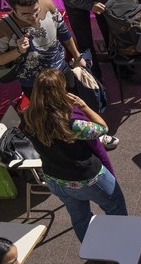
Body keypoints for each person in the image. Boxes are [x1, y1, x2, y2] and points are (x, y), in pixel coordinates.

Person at [22, 69, 127, 241]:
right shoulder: (73, 124)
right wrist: (84, 106)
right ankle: (123, 244)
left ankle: (92, 252)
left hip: (54, 179)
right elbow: (102, 128)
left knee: (80, 218)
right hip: (87, 179)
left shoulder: (28, 116)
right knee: (115, 208)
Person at [0, 0, 110, 119]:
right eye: (25, 14)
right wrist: (18, 51)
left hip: (62, 71)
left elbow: (64, 33)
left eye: (35, 11)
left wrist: (78, 57)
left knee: (77, 106)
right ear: (13, 10)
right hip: (34, 84)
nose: (32, 17)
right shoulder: (2, 28)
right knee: (52, 117)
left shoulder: (49, 5)